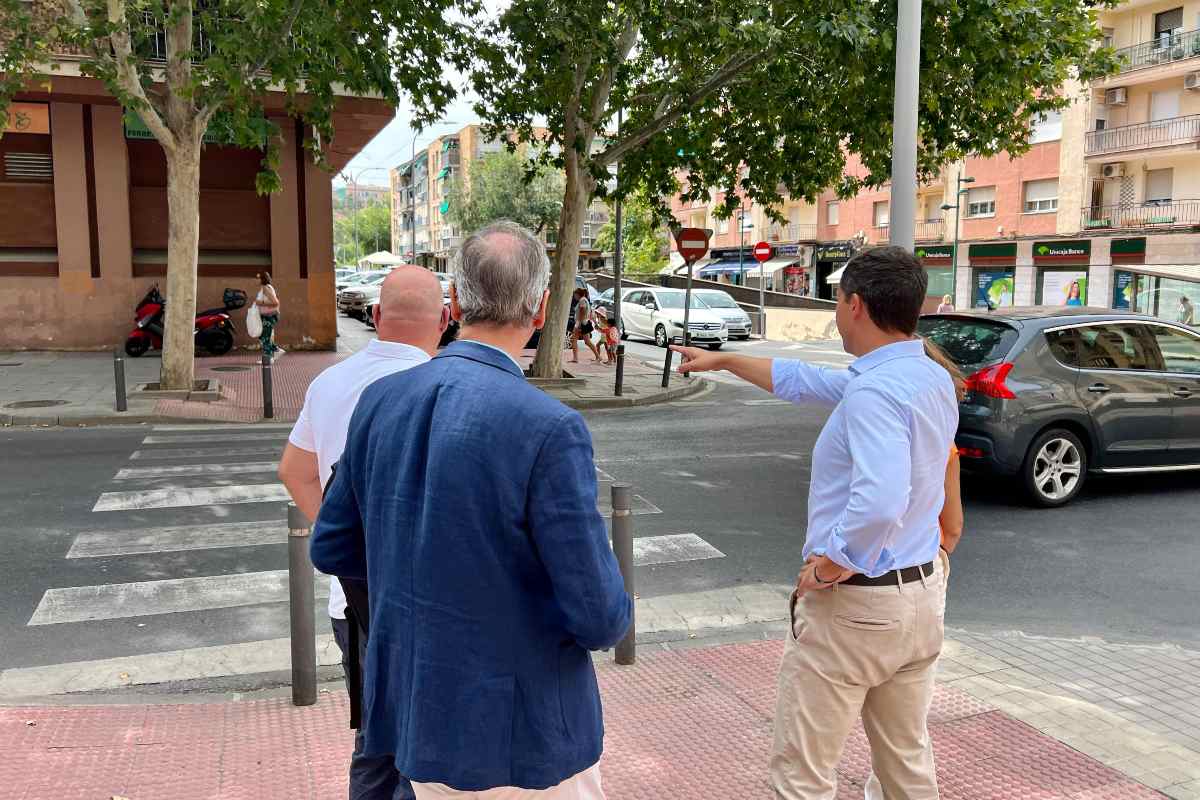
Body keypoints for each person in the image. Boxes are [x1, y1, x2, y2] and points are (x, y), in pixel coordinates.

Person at [311, 221, 632, 800]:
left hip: (418, 718)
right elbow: (600, 616)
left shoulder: (381, 400)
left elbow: (333, 544)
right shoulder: (549, 427)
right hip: (526, 740)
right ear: (538, 312)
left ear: (456, 303)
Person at [672, 245, 959, 800]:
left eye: (836, 300)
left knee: (803, 773)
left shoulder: (875, 390)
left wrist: (830, 567)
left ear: (854, 304)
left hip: (858, 606)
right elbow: (805, 379)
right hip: (919, 595)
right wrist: (728, 360)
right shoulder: (926, 376)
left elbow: (879, 502)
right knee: (906, 763)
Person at [279, 266, 448, 800]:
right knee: (426, 752)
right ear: (445, 321)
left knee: (376, 741)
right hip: (425, 604)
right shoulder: (442, 390)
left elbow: (294, 469)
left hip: (350, 604)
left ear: (374, 317)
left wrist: (348, 539)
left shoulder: (329, 383)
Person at [571, 287, 603, 364]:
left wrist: (578, 324)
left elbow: (582, 311)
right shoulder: (584, 300)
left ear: (577, 294)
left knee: (574, 340)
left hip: (581, 323)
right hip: (584, 323)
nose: (574, 296)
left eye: (575, 295)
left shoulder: (582, 300)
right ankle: (598, 356)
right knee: (586, 341)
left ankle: (576, 358)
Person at [255, 272, 282, 360]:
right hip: (268, 315)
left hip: (269, 316)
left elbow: (275, 302)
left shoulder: (266, 288)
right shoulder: (267, 287)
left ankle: (268, 358)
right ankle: (276, 350)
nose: (257, 280)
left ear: (262, 279)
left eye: (258, 278)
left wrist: (261, 303)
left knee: (265, 337)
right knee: (265, 335)